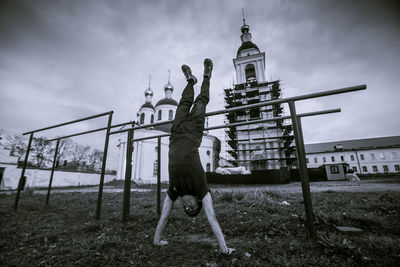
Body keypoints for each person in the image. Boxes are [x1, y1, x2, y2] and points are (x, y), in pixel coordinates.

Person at [153, 59, 234, 255]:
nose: (187, 206)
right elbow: (212, 218)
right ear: (198, 201)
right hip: (194, 131)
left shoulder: (174, 190)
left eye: (186, 209)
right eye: (192, 208)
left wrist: (157, 241)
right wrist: (224, 248)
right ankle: (207, 75)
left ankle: (190, 81)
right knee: (200, 101)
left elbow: (164, 216)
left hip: (176, 131)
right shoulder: (201, 189)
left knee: (184, 102)